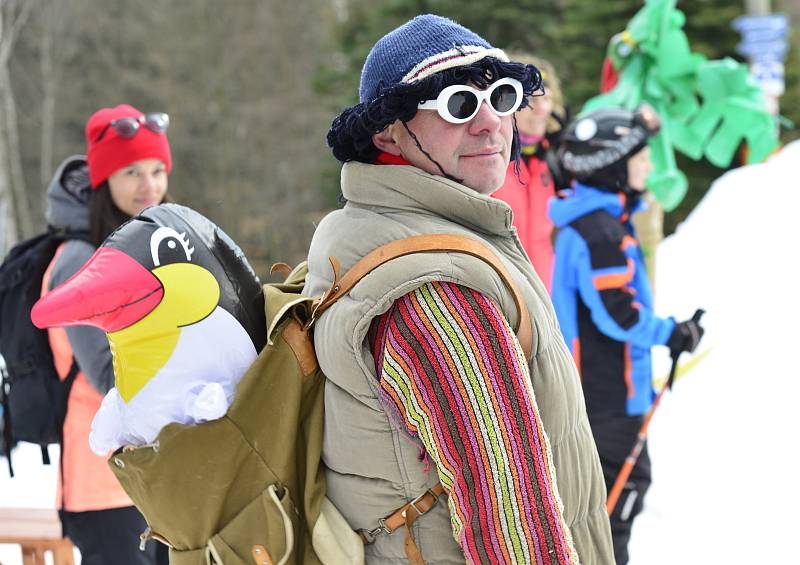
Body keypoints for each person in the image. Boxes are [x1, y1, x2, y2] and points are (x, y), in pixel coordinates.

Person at [304, 14, 614, 564]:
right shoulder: (436, 287)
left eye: (501, 96)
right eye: (459, 105)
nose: (491, 122)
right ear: (387, 132)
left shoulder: (365, 227)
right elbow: (512, 526)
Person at [549, 105, 704, 564]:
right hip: (608, 393)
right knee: (617, 499)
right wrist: (673, 333)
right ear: (614, 166)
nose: (650, 166)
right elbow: (619, 314)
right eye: (641, 157)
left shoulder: (596, 222)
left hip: (603, 389)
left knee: (615, 495)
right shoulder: (600, 234)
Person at [42, 104, 172, 565]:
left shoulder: (145, 246)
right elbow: (106, 373)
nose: (149, 185)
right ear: (104, 181)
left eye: (158, 170)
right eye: (131, 172)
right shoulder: (79, 261)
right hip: (103, 484)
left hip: (150, 475)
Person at [493, 53, 566, 293]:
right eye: (531, 100)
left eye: (547, 99)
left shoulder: (551, 162)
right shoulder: (489, 161)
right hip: (500, 293)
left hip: (545, 295)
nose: (542, 109)